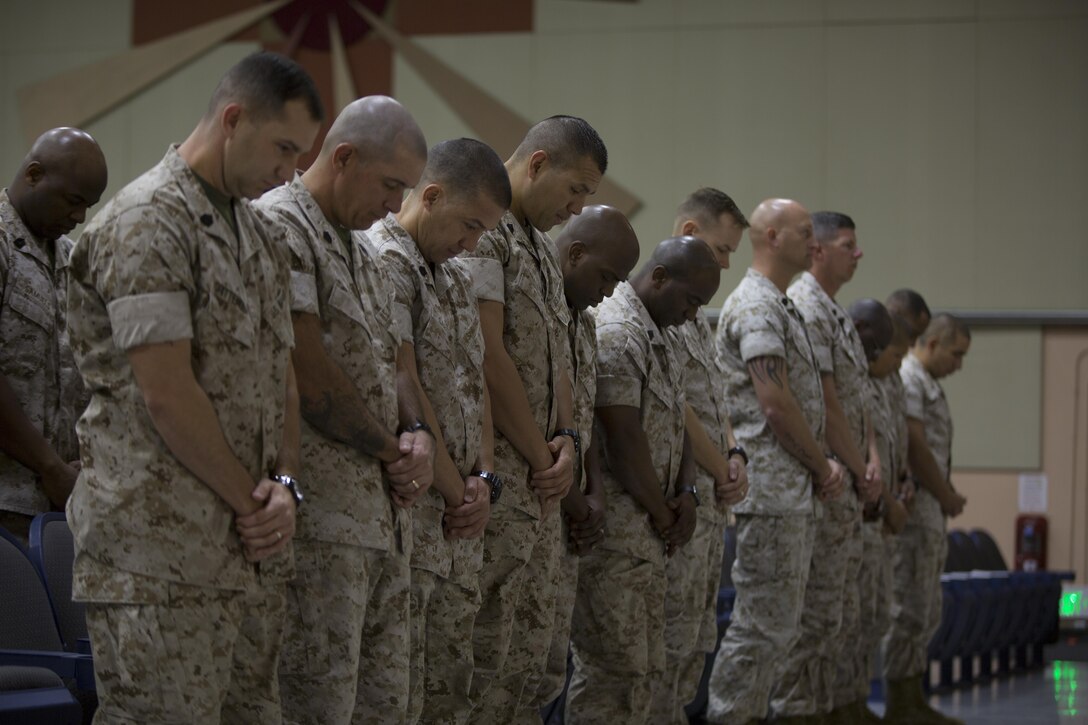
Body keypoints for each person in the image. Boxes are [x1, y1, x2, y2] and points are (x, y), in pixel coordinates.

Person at [65, 52, 322, 723]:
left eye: (302, 155)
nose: (291, 171)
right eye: (284, 147)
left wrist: (286, 485)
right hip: (159, 551)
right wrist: (252, 503)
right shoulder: (149, 220)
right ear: (233, 119)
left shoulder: (259, 235)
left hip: (248, 551)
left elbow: (283, 376)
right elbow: (165, 392)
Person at [255, 95, 437, 724]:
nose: (395, 205)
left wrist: (416, 433)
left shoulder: (362, 248)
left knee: (385, 708)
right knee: (317, 706)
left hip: (382, 522)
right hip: (321, 524)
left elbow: (394, 363)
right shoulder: (281, 225)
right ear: (343, 156)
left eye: (406, 189)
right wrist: (394, 451)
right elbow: (307, 371)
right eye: (390, 184)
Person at [459, 115, 606, 722]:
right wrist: (544, 455)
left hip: (542, 490)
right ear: (538, 162)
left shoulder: (543, 255)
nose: (575, 209)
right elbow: (490, 356)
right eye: (576, 189)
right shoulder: (487, 236)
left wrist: (567, 440)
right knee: (482, 667)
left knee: (529, 671)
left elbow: (561, 361)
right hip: (505, 484)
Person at [366, 137, 510, 724]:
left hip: (456, 524)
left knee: (450, 692)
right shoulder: (385, 260)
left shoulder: (452, 278)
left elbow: (475, 386)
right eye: (469, 225)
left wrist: (484, 475)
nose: (472, 245)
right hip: (416, 515)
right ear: (430, 196)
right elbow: (404, 378)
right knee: (397, 696)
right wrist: (457, 491)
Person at [566, 236, 721, 724]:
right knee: (612, 680)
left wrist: (689, 492)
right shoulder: (618, 329)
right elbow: (622, 439)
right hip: (620, 540)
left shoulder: (665, 333)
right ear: (659, 277)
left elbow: (681, 422)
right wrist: (663, 513)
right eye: (692, 300)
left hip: (651, 538)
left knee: (647, 675)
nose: (694, 314)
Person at [706, 198, 845, 725]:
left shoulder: (781, 303)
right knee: (761, 626)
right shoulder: (758, 305)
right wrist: (820, 465)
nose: (815, 244)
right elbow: (774, 403)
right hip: (772, 488)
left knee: (778, 627)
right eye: (805, 232)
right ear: (771, 237)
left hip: (788, 491)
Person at [534, 205, 640, 717]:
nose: (611, 291)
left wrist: (593, 490)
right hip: (534, 508)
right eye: (606, 276)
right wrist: (579, 502)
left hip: (565, 523)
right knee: (506, 674)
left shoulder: (582, 321)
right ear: (575, 252)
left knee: (547, 670)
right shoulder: (538, 299)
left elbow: (582, 415)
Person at [656, 188, 750, 723]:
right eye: (722, 248)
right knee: (663, 653)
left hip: (713, 503)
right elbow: (676, 407)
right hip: (682, 499)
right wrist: (721, 469)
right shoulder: (663, 304)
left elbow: (714, 400)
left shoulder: (697, 318)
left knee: (692, 649)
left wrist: (735, 454)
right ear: (690, 235)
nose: (728, 262)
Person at [786, 211, 882, 722]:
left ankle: (826, 709)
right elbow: (824, 404)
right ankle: (803, 711)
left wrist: (870, 460)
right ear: (819, 250)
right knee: (816, 617)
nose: (858, 253)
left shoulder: (834, 311)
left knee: (836, 617)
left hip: (848, 480)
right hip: (828, 482)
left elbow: (857, 398)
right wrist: (858, 465)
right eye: (849, 244)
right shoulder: (807, 306)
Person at [1, 127, 106, 543]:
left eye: (89, 206)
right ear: (34, 175)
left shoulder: (72, 262)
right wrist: (50, 467)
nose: (80, 217)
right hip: (7, 501)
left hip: (59, 509)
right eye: (74, 201)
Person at [882, 313, 970, 725]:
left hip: (929, 513)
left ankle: (910, 696)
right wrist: (946, 493)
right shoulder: (911, 377)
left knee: (924, 609)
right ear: (932, 343)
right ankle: (900, 702)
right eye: (956, 354)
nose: (960, 365)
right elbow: (916, 444)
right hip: (917, 512)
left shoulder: (928, 382)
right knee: (908, 608)